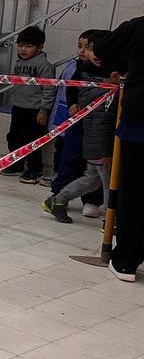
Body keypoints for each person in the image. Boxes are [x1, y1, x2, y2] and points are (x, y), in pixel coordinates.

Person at [91, 14, 144, 281]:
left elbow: (101, 49)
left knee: (134, 193)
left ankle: (125, 260)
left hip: (140, 123)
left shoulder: (138, 27)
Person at [42, 39, 115, 224]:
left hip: (96, 145)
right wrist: (105, 152)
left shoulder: (96, 86)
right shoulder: (101, 92)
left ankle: (57, 201)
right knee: (109, 184)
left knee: (92, 180)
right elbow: (101, 125)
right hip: (100, 147)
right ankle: (110, 222)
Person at [0, 25, 56, 184]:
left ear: (40, 47)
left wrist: (43, 110)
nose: (23, 49)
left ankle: (34, 169)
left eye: (28, 46)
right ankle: (17, 164)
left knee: (33, 140)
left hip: (35, 111)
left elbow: (48, 89)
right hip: (18, 107)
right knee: (14, 137)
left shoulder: (43, 64)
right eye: (20, 45)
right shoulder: (19, 62)